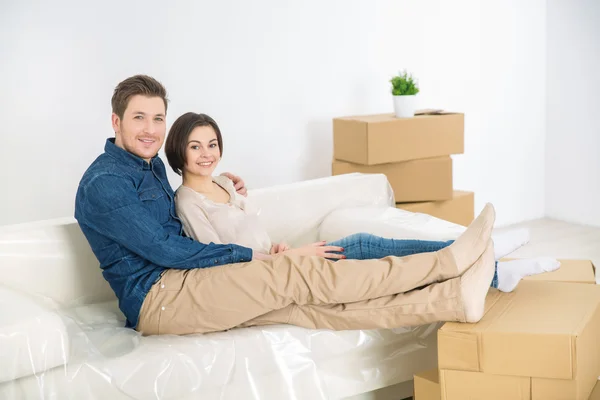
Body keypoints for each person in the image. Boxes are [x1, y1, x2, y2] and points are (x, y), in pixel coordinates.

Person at [76, 74, 496, 337]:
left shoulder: (146, 167)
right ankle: (448, 261)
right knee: (298, 271)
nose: (150, 129)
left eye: (157, 118)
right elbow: (167, 249)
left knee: (307, 310)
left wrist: (225, 186)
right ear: (116, 122)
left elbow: (179, 214)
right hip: (161, 296)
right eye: (138, 118)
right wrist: (253, 256)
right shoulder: (105, 183)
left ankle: (455, 299)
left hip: (181, 286)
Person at [165, 112, 560, 294]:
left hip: (278, 260)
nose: (206, 153)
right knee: (367, 248)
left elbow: (253, 236)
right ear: (178, 151)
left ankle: (489, 264)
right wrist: (292, 255)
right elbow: (218, 260)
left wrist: (277, 246)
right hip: (268, 276)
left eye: (212, 144)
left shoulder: (224, 183)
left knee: (380, 251)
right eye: (195, 146)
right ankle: (486, 257)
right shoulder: (188, 199)